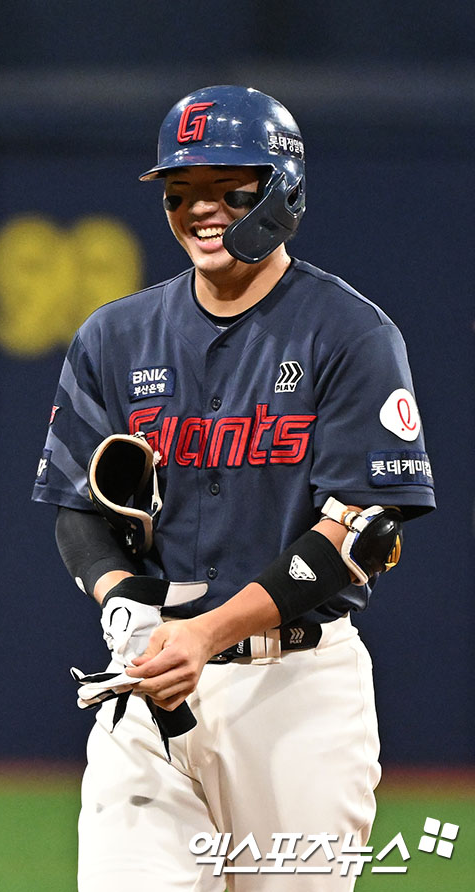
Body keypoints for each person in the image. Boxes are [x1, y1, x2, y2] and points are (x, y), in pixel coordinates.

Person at [31, 85, 434, 890]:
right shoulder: (114, 337)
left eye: (229, 188)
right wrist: (123, 605)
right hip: (154, 684)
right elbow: (78, 507)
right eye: (182, 192)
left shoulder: (351, 332)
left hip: (297, 699)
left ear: (282, 188)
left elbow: (361, 534)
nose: (200, 209)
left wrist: (207, 632)